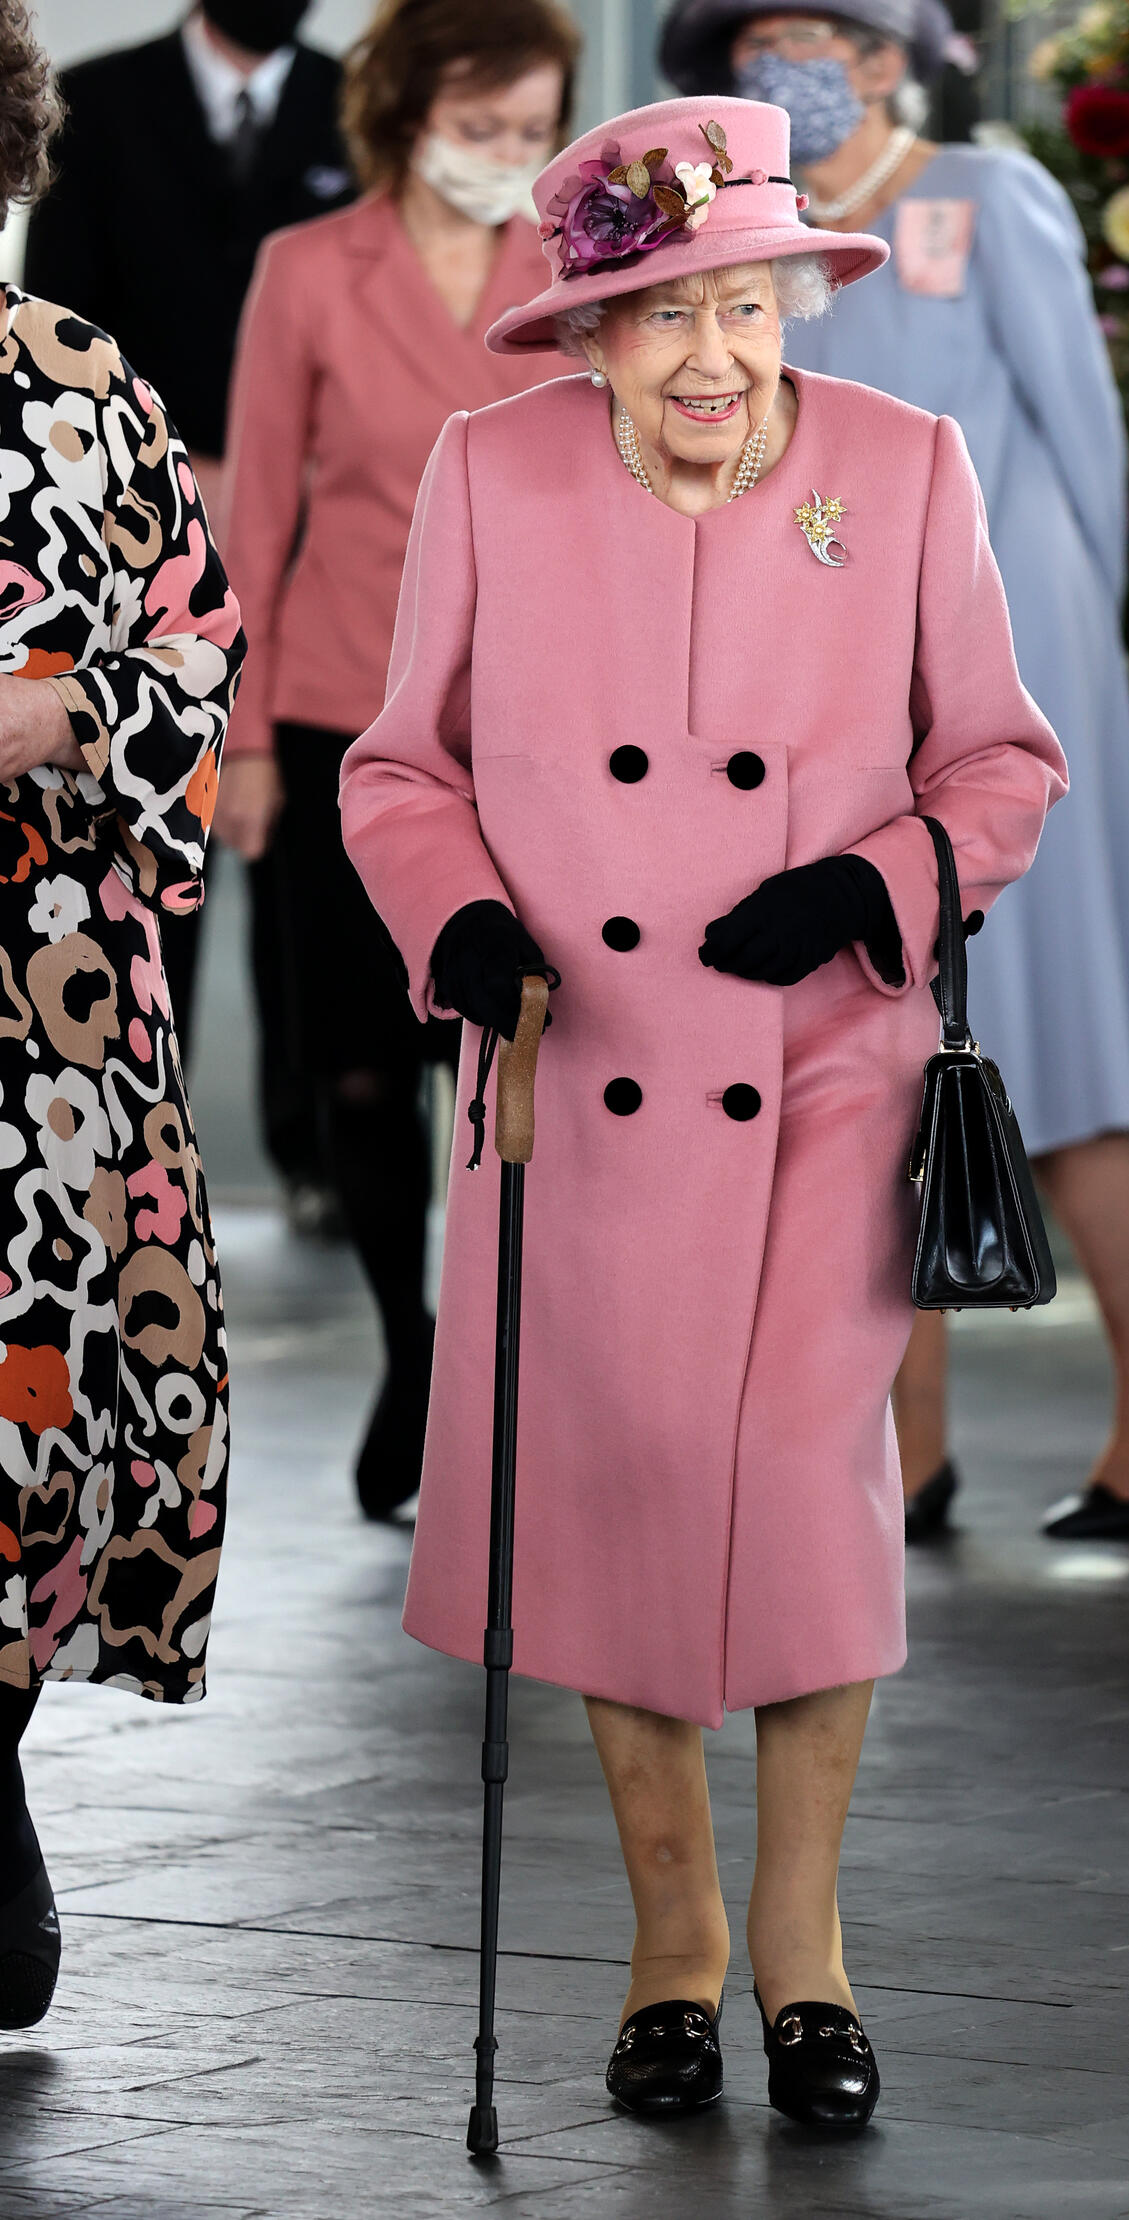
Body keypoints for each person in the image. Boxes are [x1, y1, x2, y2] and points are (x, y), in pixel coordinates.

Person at [341, 92, 1066, 2126]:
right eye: (662, 320)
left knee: (798, 1490)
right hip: (568, 1085)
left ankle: (807, 1962)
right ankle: (672, 1954)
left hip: (827, 1072)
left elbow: (1001, 765)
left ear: (791, 304)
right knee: (629, 1493)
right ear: (588, 339)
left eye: (744, 309)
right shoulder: (491, 479)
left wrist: (876, 885)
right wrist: (459, 928)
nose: (711, 361)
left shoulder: (900, 471)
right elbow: (397, 775)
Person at [660, 0, 1129, 1543]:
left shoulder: (986, 195)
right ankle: (907, 1445)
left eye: (822, 35)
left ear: (894, 56)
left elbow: (1085, 441)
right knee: (878, 1033)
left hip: (1015, 657)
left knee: (1060, 1038)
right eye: (762, 38)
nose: (794, 64)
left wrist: (1065, 674)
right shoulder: (752, 237)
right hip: (850, 669)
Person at [217, 0, 581, 1521]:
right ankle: (410, 1349)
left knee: (509, 1059)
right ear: (405, 113)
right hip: (339, 713)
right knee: (359, 1067)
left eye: (530, 130)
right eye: (480, 125)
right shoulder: (306, 269)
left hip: (545, 726)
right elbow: (247, 514)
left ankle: (507, 1374)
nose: (506, 158)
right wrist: (235, 744)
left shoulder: (576, 270)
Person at [0, 0, 244, 2031]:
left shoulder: (84, 384)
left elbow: (197, 648)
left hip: (44, 1023)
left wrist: (58, 707)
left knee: (32, 1415)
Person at [24, 0, 354, 1209]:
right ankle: (143, 1106)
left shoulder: (344, 103)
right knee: (157, 817)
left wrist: (283, 468)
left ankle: (308, 1144)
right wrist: (166, 465)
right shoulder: (99, 105)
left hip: (318, 536)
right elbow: (62, 306)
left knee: (292, 842)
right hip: (123, 528)